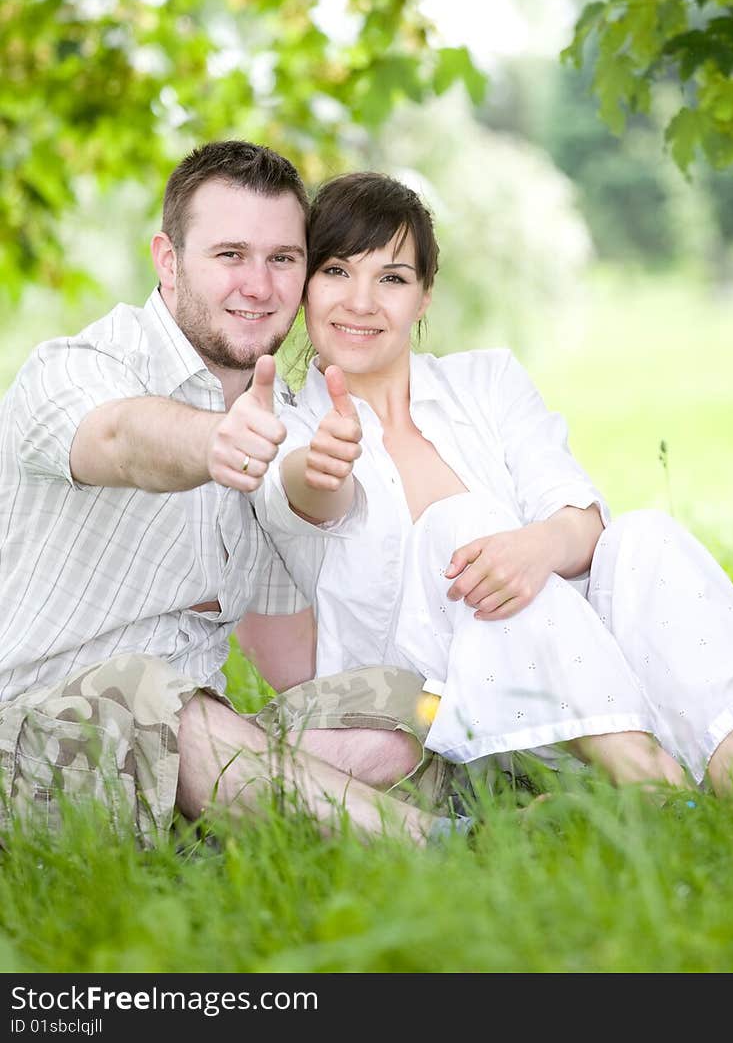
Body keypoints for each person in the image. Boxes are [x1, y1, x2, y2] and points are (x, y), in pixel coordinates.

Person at [238, 171, 733, 799]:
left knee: (646, 536)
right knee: (459, 527)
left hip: (579, 680)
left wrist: (535, 549)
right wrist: (319, 469)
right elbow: (298, 497)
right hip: (434, 719)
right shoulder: (284, 426)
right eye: (337, 271)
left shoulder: (486, 383)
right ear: (304, 287)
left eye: (391, 277)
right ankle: (655, 785)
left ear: (424, 297)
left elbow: (582, 523)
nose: (361, 301)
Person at [0, 141, 459, 850]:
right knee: (147, 690)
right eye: (230, 256)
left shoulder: (280, 427)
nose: (260, 285)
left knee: (406, 704)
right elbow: (119, 437)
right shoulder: (75, 369)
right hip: (29, 752)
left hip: (190, 746)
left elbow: (296, 661)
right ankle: (436, 848)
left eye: (283, 259)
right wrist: (213, 443)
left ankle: (227, 834)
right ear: (168, 258)